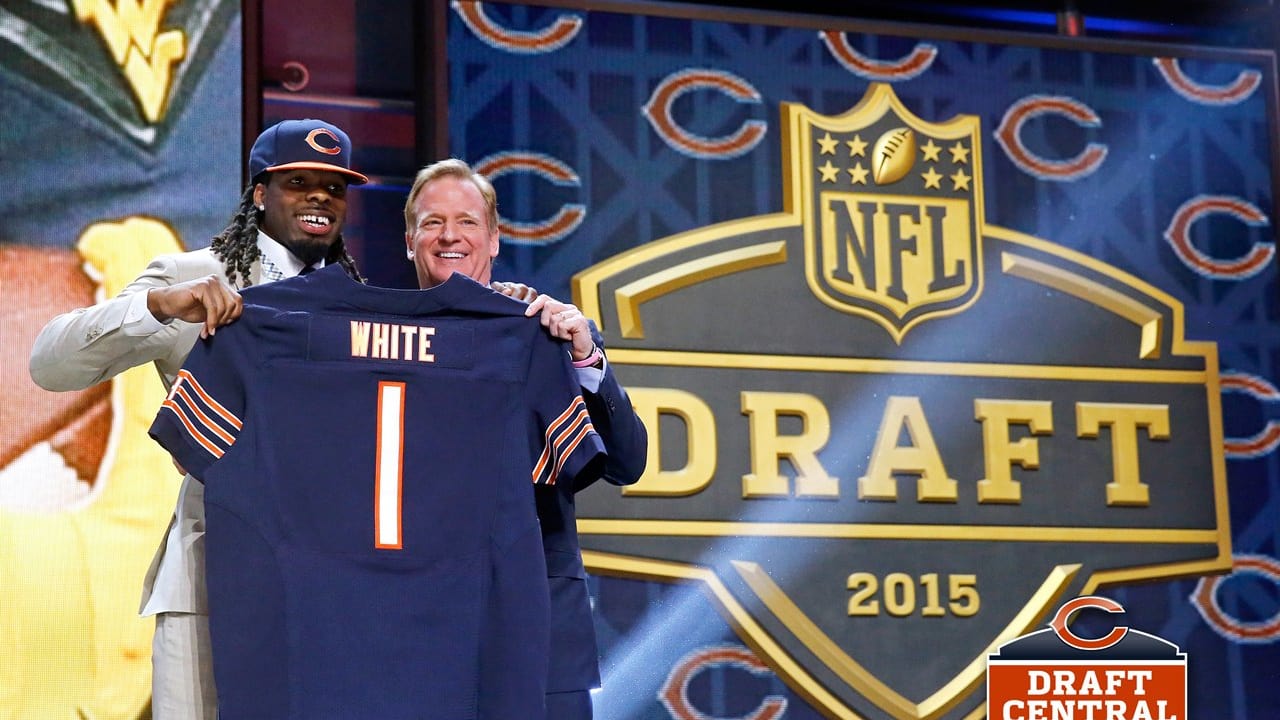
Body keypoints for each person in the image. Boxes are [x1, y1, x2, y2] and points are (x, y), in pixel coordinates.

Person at [28, 118, 369, 720]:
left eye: (335, 187)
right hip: (210, 579)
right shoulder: (192, 276)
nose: (321, 196)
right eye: (299, 182)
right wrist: (155, 307)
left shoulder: (363, 307)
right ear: (260, 193)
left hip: (327, 586)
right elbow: (50, 364)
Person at [403, 158, 648, 719]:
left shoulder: (544, 332)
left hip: (539, 624)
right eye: (432, 222)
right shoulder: (376, 345)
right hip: (416, 624)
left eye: (466, 222)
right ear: (410, 240)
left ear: (493, 239)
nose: (449, 236)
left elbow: (628, 461)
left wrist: (585, 357)